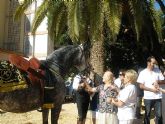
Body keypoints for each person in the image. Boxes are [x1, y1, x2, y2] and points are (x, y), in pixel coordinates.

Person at [137, 56, 164, 124]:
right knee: (147, 115)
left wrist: (157, 81)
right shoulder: (143, 73)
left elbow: (163, 81)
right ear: (148, 63)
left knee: (159, 115)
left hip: (158, 97)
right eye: (153, 63)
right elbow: (141, 86)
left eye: (155, 63)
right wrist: (152, 90)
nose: (155, 65)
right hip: (148, 97)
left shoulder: (157, 70)